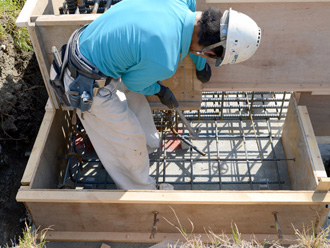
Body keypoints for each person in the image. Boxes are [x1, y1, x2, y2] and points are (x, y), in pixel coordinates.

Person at [58, 0, 261, 190]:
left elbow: (193, 32)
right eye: (209, 57)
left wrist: (200, 64)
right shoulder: (166, 60)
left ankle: (149, 147)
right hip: (84, 83)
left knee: (138, 109)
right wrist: (160, 90)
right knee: (130, 140)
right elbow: (133, 82)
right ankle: (141, 189)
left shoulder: (179, 2)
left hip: (88, 46)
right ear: (209, 52)